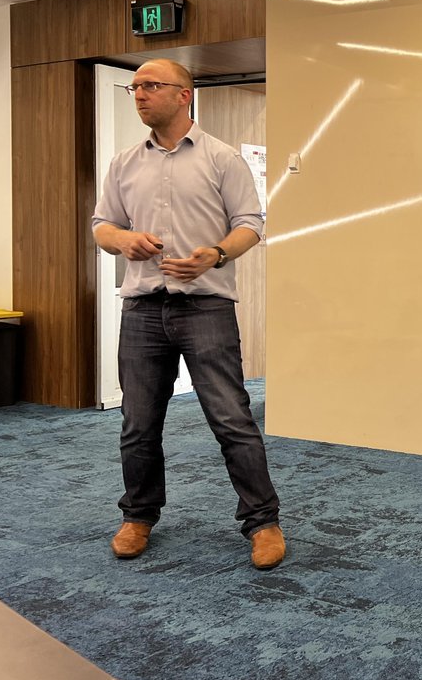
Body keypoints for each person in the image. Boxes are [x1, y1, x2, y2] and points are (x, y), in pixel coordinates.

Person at [92, 58, 284, 570]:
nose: (139, 94)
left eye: (151, 86)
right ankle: (137, 516)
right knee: (138, 424)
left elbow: (251, 224)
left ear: (184, 95)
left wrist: (215, 254)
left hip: (206, 307)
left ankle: (262, 523)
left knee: (231, 420)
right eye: (135, 86)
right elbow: (101, 225)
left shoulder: (221, 159)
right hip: (142, 309)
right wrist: (123, 239)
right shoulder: (124, 162)